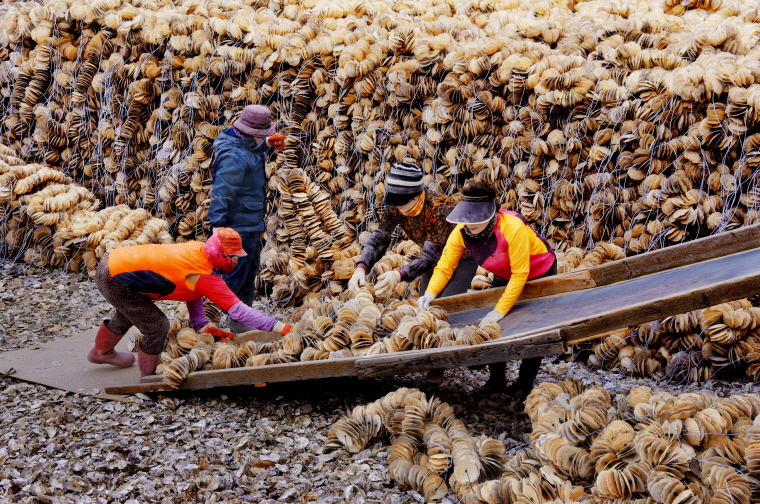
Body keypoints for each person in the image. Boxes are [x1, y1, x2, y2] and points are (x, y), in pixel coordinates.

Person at [88, 228, 292, 377]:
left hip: (113, 262)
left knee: (129, 313)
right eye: (232, 257)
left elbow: (190, 288)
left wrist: (200, 324)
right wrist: (282, 328)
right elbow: (238, 311)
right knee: (157, 326)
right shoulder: (204, 274)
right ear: (220, 255)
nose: (235, 262)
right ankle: (148, 380)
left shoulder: (199, 250)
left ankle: (101, 352)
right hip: (115, 277)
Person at [418, 182, 557, 394]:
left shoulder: (512, 227)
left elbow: (521, 273)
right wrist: (431, 292)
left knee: (535, 325)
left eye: (476, 219)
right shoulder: (460, 233)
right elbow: (446, 266)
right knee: (492, 327)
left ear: (490, 214)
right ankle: (497, 379)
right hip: (504, 274)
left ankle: (525, 382)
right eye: (467, 219)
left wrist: (499, 311)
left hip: (539, 271)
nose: (470, 224)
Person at [348, 160, 477, 300]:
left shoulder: (439, 207)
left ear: (416, 195)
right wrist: (361, 267)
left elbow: (430, 255)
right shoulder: (394, 206)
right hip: (435, 258)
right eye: (394, 200)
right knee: (426, 304)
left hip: (463, 256)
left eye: (401, 201)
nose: (397, 206)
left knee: (451, 302)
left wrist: (399, 274)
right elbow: (379, 238)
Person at [208, 104, 286, 333]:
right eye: (262, 134)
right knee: (234, 274)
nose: (264, 137)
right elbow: (222, 192)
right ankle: (215, 319)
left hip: (249, 221)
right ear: (252, 132)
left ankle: (241, 318)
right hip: (237, 224)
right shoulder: (235, 156)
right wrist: (218, 227)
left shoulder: (243, 142)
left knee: (248, 271)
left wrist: (267, 144)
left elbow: (252, 149)